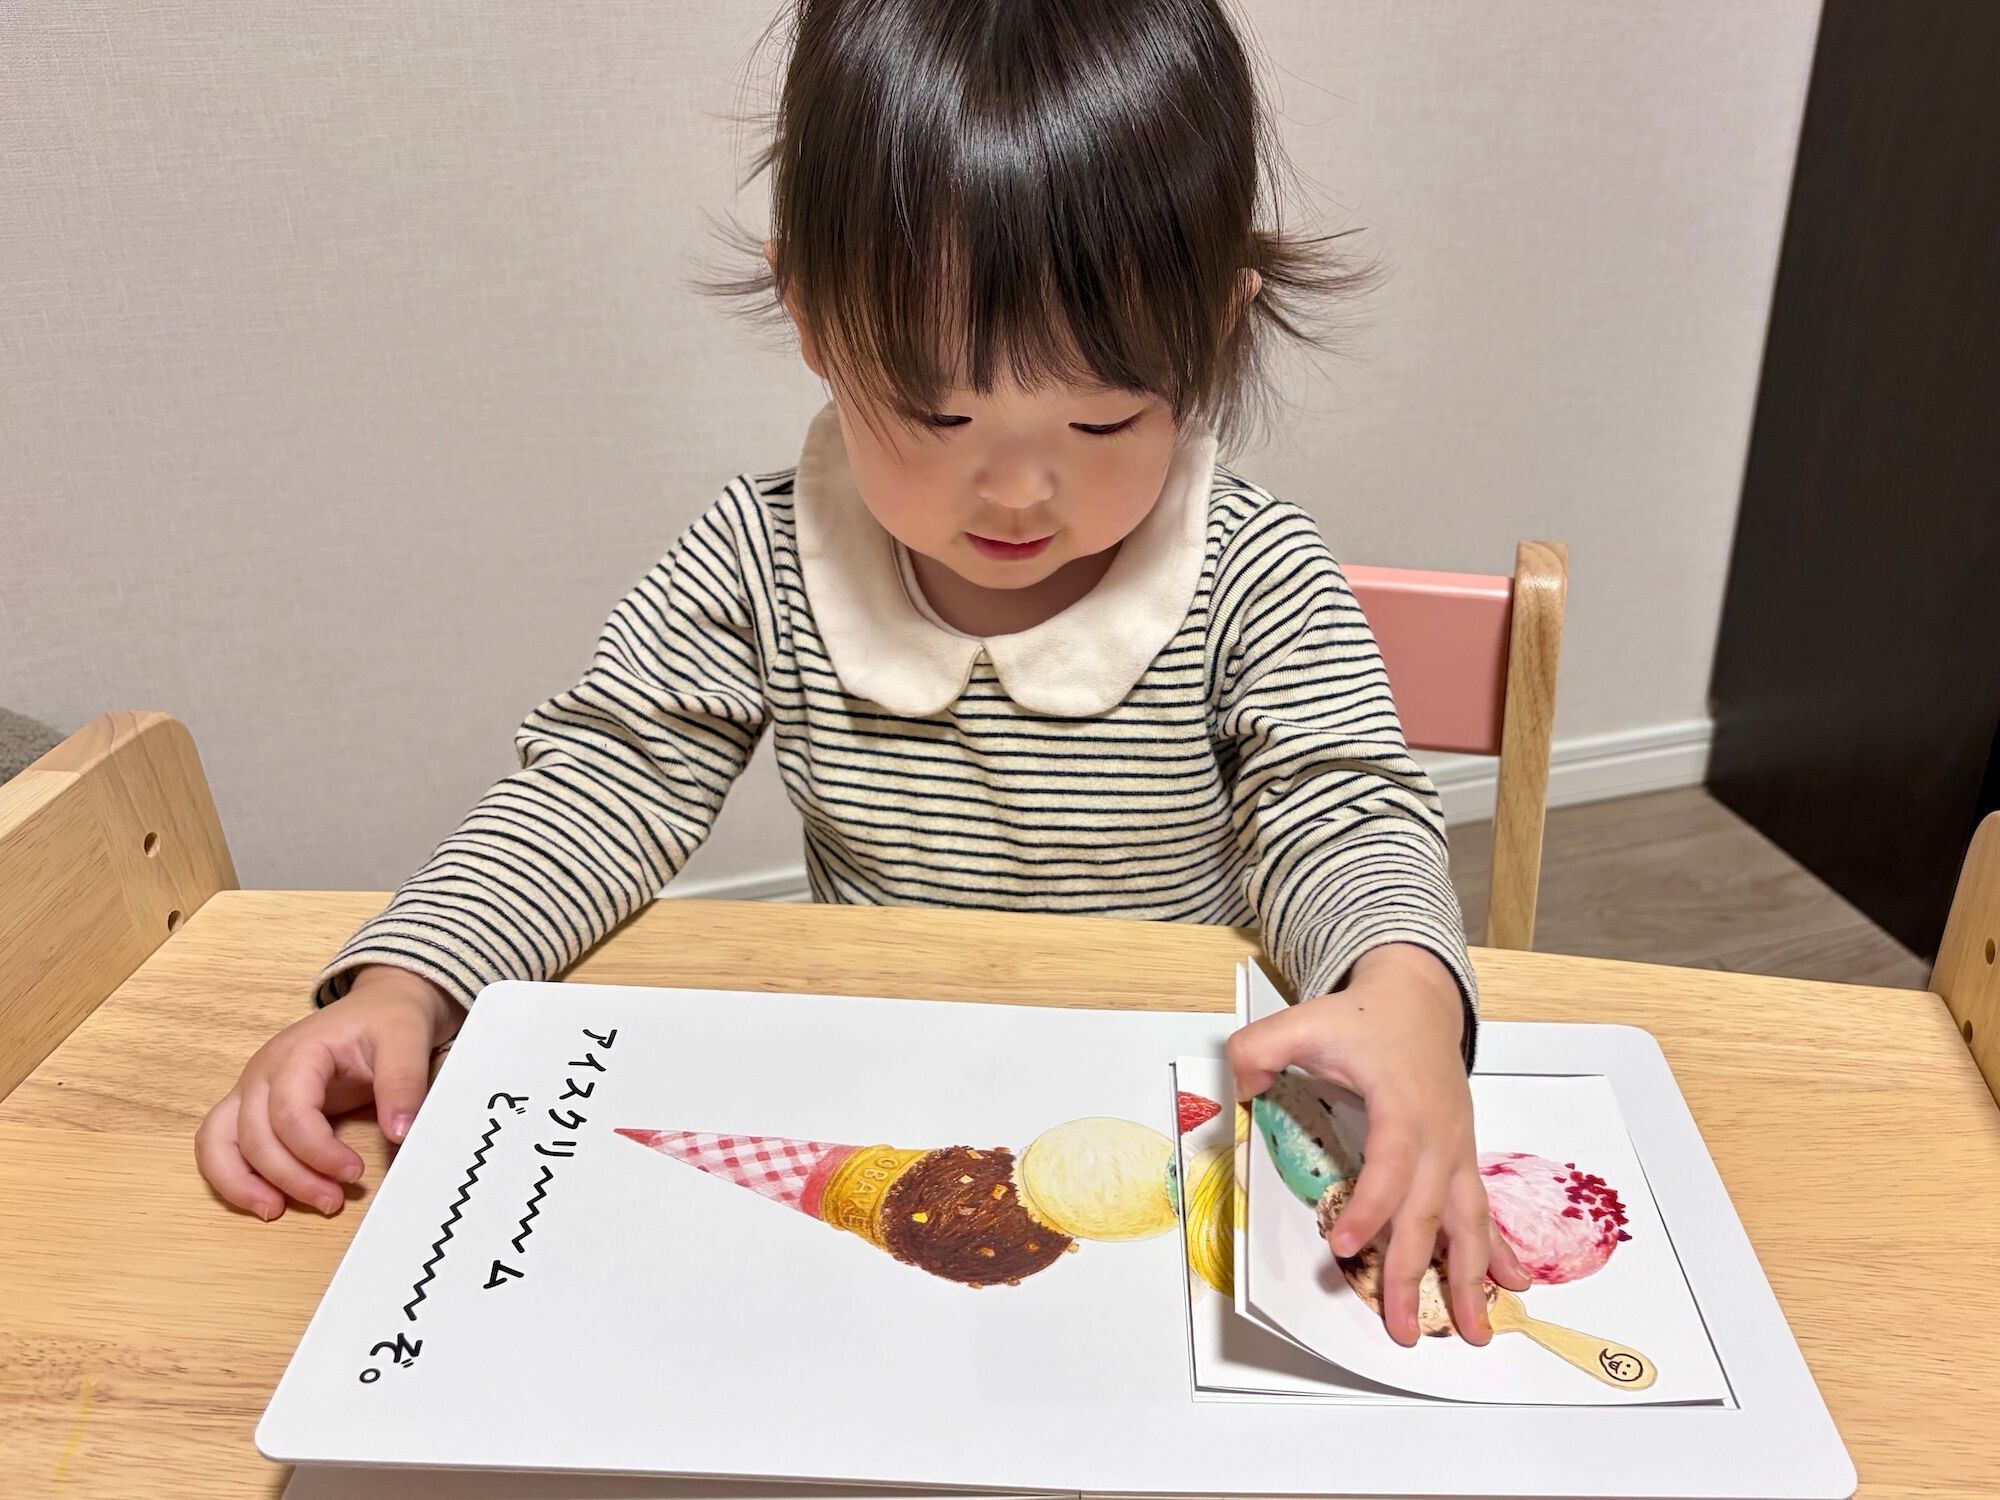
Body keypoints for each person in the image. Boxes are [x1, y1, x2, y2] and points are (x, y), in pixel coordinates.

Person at [195, 0, 1530, 1345]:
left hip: (1178, 1114)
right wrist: (408, 981)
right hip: (890, 1103)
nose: (1018, 489)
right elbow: (600, 784)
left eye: (1102, 419)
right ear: (816, 321)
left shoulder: (1252, 572)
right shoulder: (762, 556)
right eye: (938, 415)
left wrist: (1405, 997)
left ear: (1216, 333)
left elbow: (1342, 810)